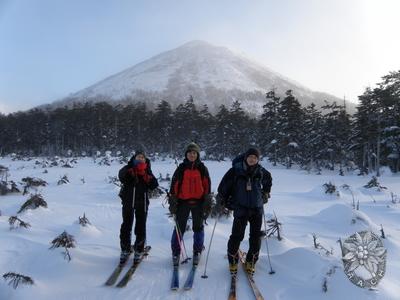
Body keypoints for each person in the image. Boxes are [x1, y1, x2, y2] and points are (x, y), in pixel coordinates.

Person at [217, 147, 272, 275]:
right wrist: (223, 199)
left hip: (257, 209)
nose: (252, 159)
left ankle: (251, 262)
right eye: (250, 157)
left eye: (255, 158)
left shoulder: (261, 172)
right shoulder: (235, 171)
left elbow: (268, 181)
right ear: (246, 158)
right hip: (241, 209)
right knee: (236, 236)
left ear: (258, 159)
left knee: (255, 237)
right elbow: (223, 186)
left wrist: (265, 193)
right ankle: (233, 261)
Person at [168, 142, 212, 266]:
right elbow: (174, 186)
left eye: (194, 153)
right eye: (189, 153)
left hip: (198, 203)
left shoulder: (202, 168)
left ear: (197, 155)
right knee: (179, 228)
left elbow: (207, 186)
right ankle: (176, 252)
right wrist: (173, 201)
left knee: (198, 228)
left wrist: (207, 201)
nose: (192, 155)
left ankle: (197, 251)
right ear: (186, 154)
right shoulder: (181, 168)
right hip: (183, 202)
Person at [118, 150, 159, 263]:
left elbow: (154, 184)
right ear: (134, 158)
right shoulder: (128, 167)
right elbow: (121, 176)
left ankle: (139, 250)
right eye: (138, 157)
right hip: (128, 201)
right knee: (126, 225)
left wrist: (147, 177)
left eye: (142, 157)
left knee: (140, 226)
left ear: (145, 159)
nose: (140, 158)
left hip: (142, 202)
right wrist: (129, 172)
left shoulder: (147, 170)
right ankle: (125, 249)